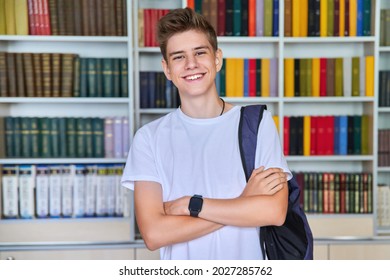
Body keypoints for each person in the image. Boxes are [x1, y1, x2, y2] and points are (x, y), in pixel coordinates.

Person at [121, 7, 292, 260]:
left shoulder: (257, 125)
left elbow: (273, 213)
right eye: (179, 57)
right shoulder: (149, 138)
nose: (191, 64)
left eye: (200, 52)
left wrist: (191, 205)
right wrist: (243, 201)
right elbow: (154, 234)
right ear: (167, 69)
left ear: (217, 59)